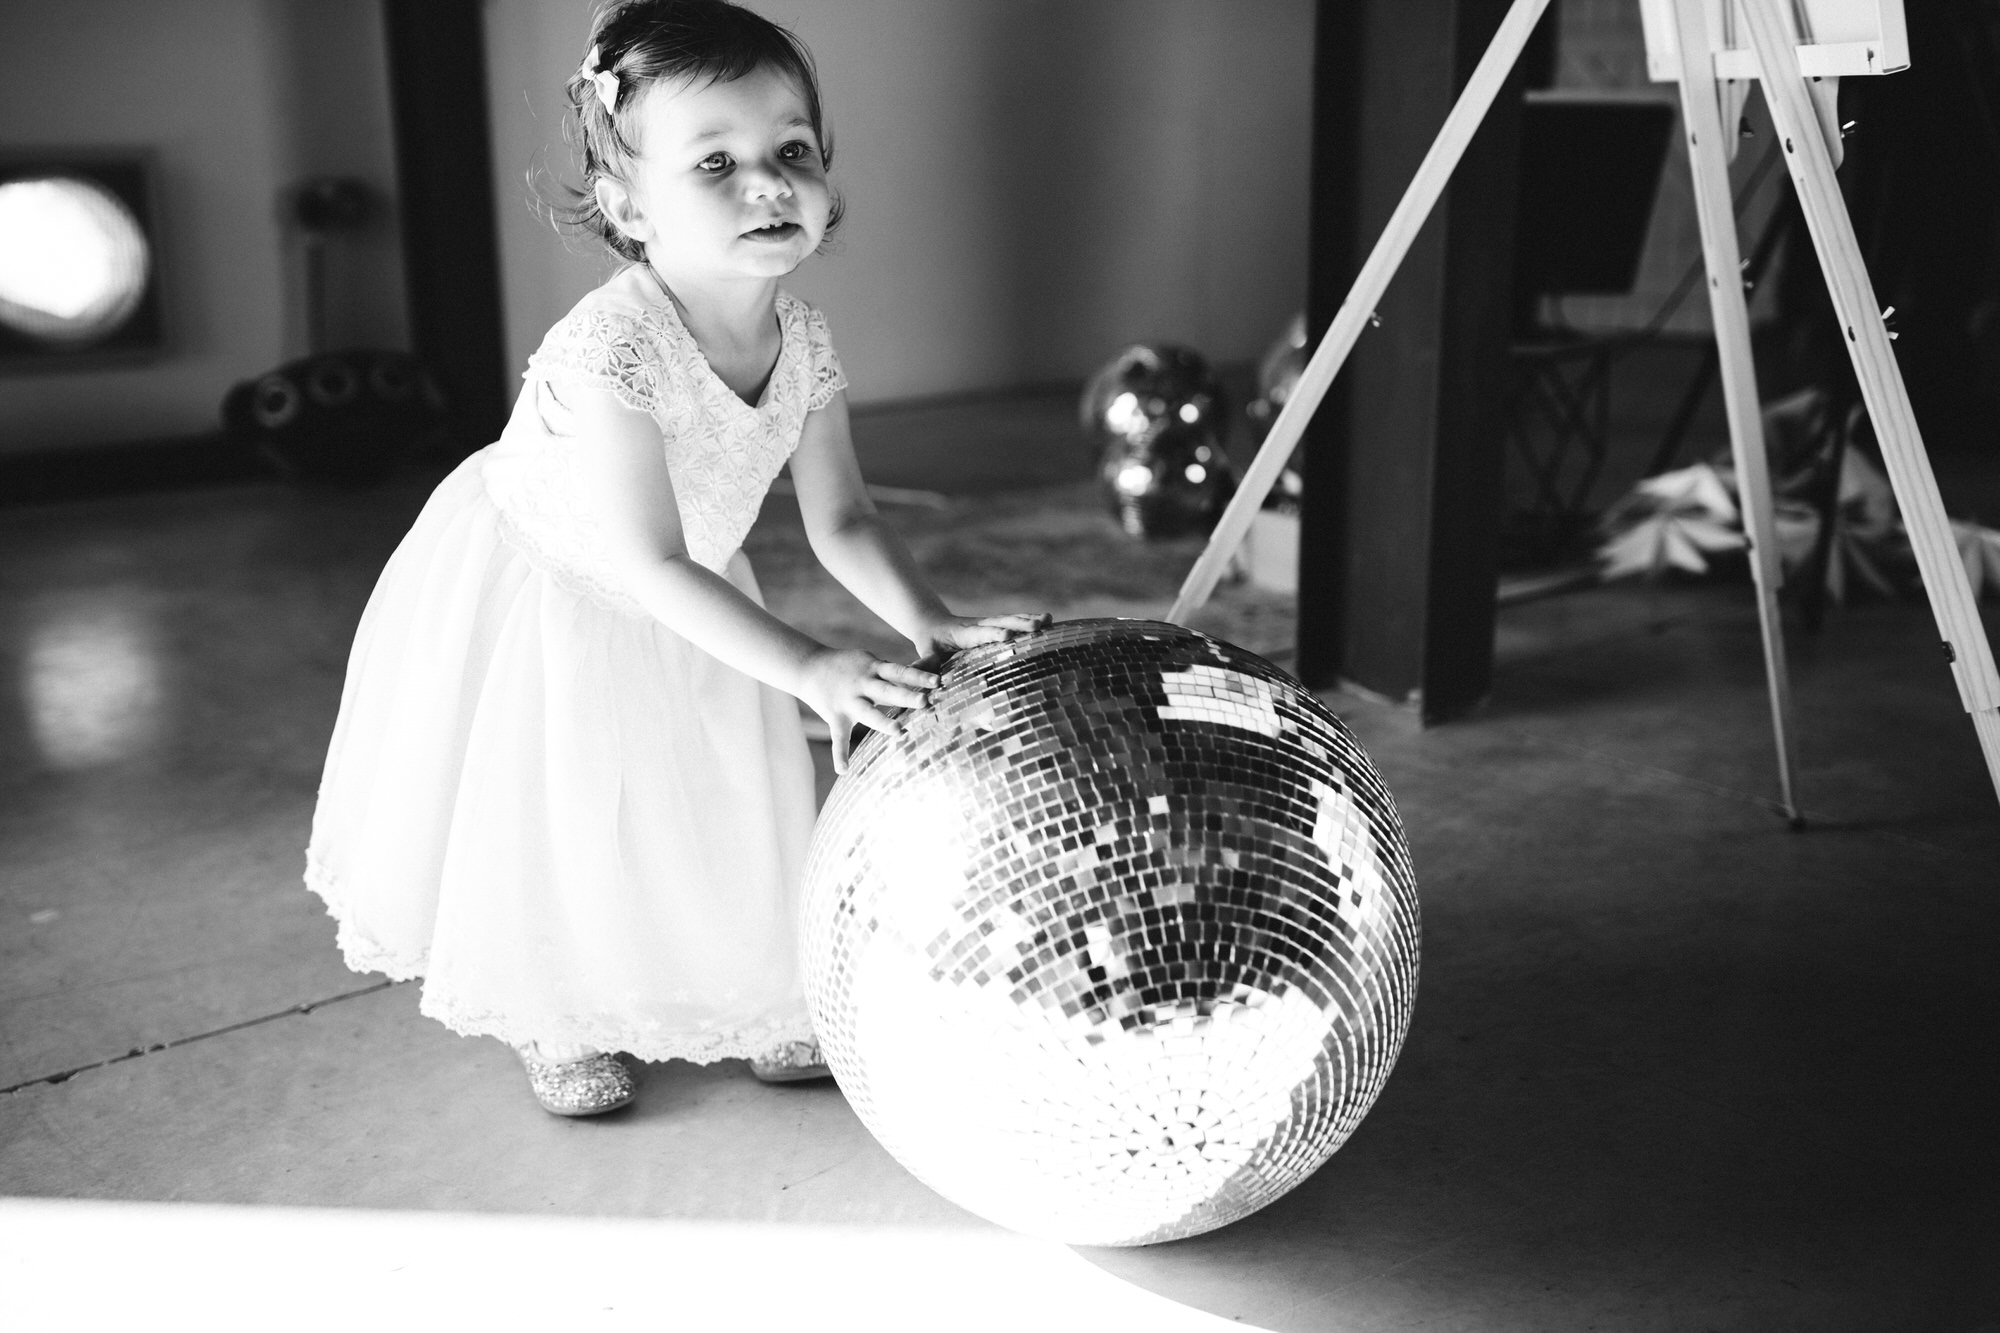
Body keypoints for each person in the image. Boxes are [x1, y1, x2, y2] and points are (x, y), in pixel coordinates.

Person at [304, 0, 1045, 1117]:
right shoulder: (610, 348)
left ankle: (749, 994)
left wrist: (923, 619)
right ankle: (555, 1010)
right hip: (556, 586)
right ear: (627, 207)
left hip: (693, 581)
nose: (767, 183)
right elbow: (643, 561)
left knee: (714, 793)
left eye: (790, 152)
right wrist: (809, 668)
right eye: (716, 163)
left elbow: (841, 517)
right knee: (562, 804)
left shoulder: (802, 338)